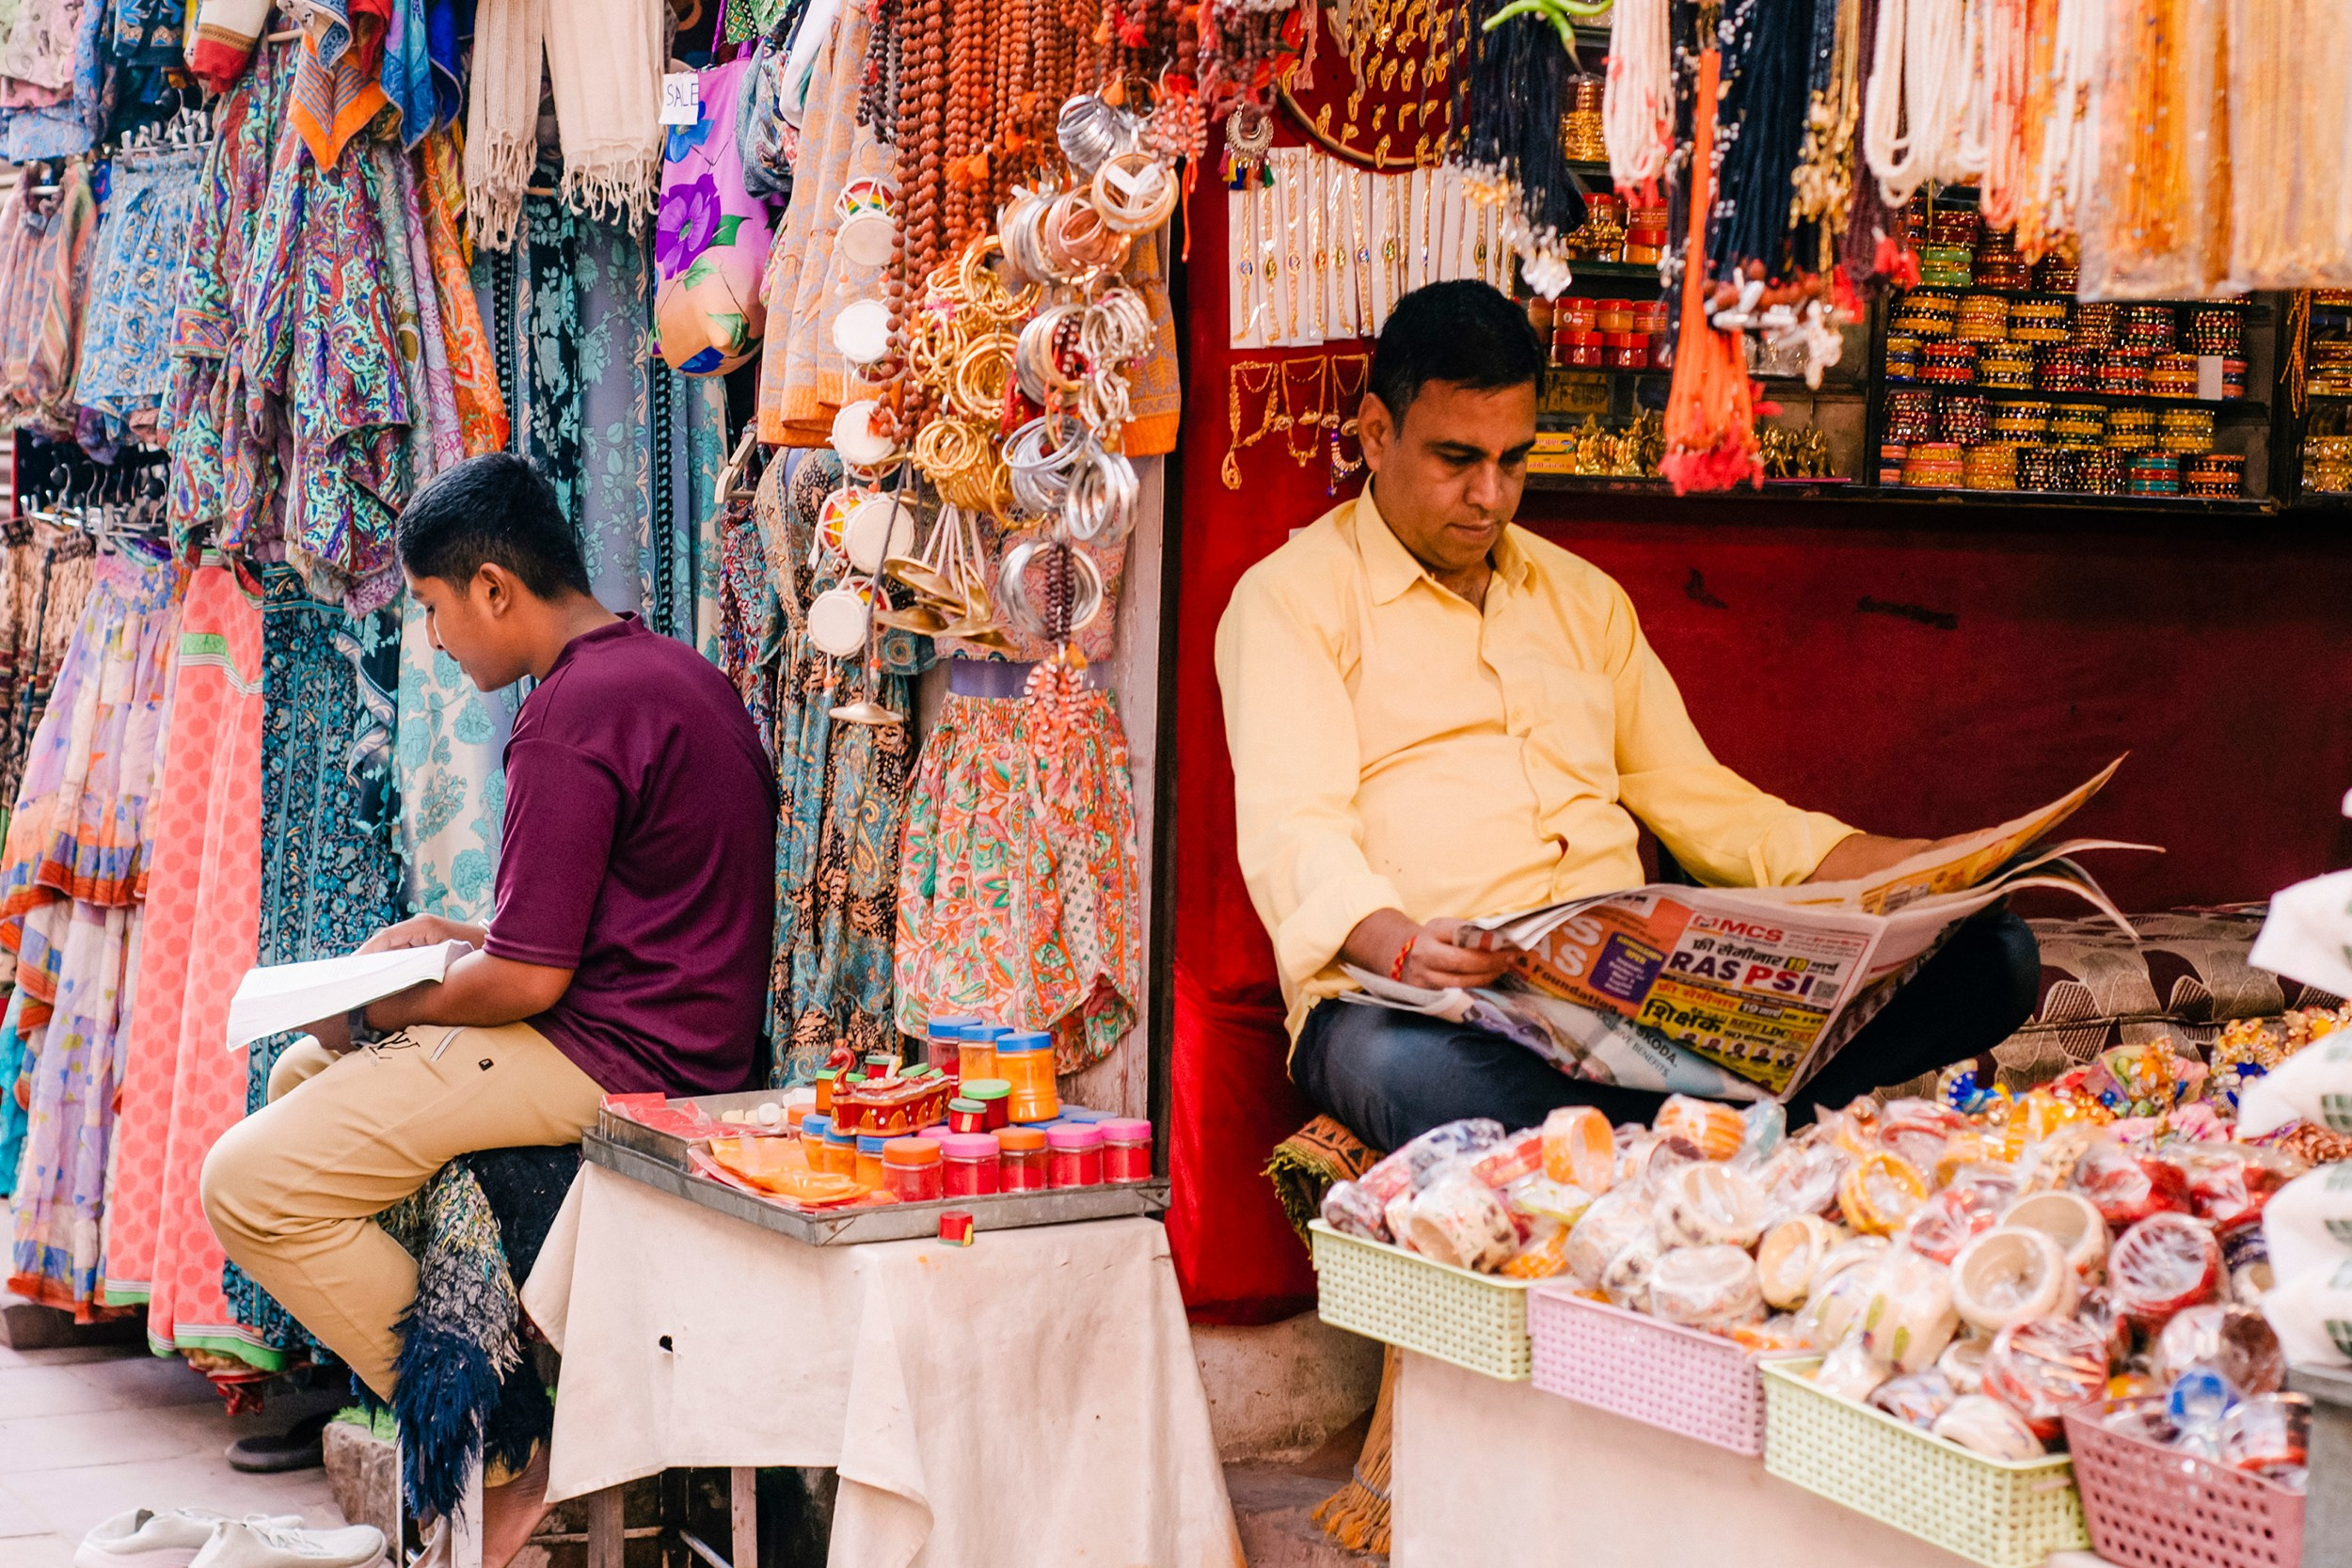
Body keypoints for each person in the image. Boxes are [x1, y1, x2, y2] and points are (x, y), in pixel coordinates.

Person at [1214, 280, 2040, 1154]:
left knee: (1996, 956)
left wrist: (1915, 869)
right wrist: (1405, 946)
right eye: (1457, 459)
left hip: (1622, 994)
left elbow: (1704, 803)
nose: (1490, 496)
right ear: (1376, 434)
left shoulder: (1583, 599)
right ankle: (1725, 1129)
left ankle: (1676, 1131)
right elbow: (1295, 831)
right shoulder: (1290, 599)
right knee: (1456, 1087)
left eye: (1515, 459)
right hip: (1408, 1002)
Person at [200, 453, 777, 1560]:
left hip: (616, 1061)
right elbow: (613, 920)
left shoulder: (570, 714)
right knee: (295, 1080)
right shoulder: (666, 673)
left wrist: (373, 1010)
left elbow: (528, 983)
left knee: (251, 1184)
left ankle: (506, 1442)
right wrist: (451, 935)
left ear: (497, 587)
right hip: (668, 1036)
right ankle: (482, 1360)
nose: (437, 639)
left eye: (433, 607)